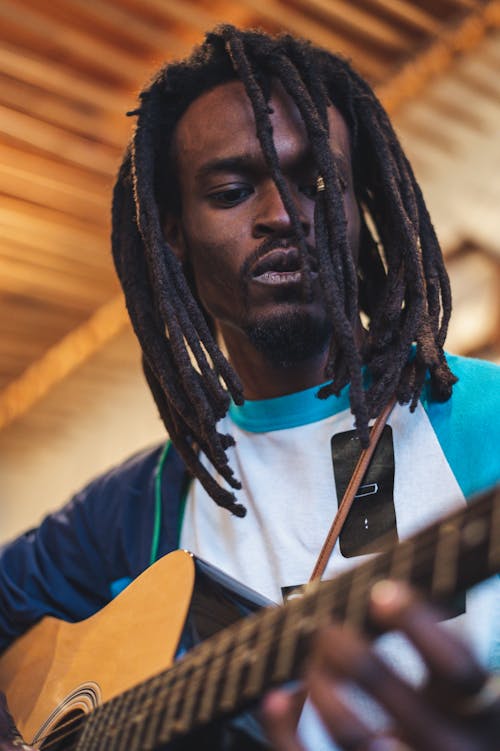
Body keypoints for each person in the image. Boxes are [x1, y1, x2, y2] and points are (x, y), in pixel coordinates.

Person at [0, 24, 498, 751]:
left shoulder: (485, 418)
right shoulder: (154, 497)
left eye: (318, 184)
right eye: (233, 190)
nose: (283, 215)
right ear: (172, 234)